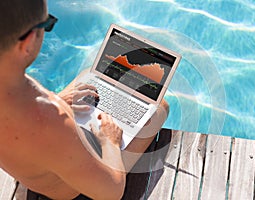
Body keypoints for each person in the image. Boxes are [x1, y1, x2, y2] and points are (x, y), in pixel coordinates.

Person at [0, 0, 169, 199]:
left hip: (33, 162)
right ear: (27, 42)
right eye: (47, 25)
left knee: (88, 76)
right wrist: (109, 142)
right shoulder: (52, 121)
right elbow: (111, 192)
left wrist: (59, 99)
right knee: (159, 108)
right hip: (72, 191)